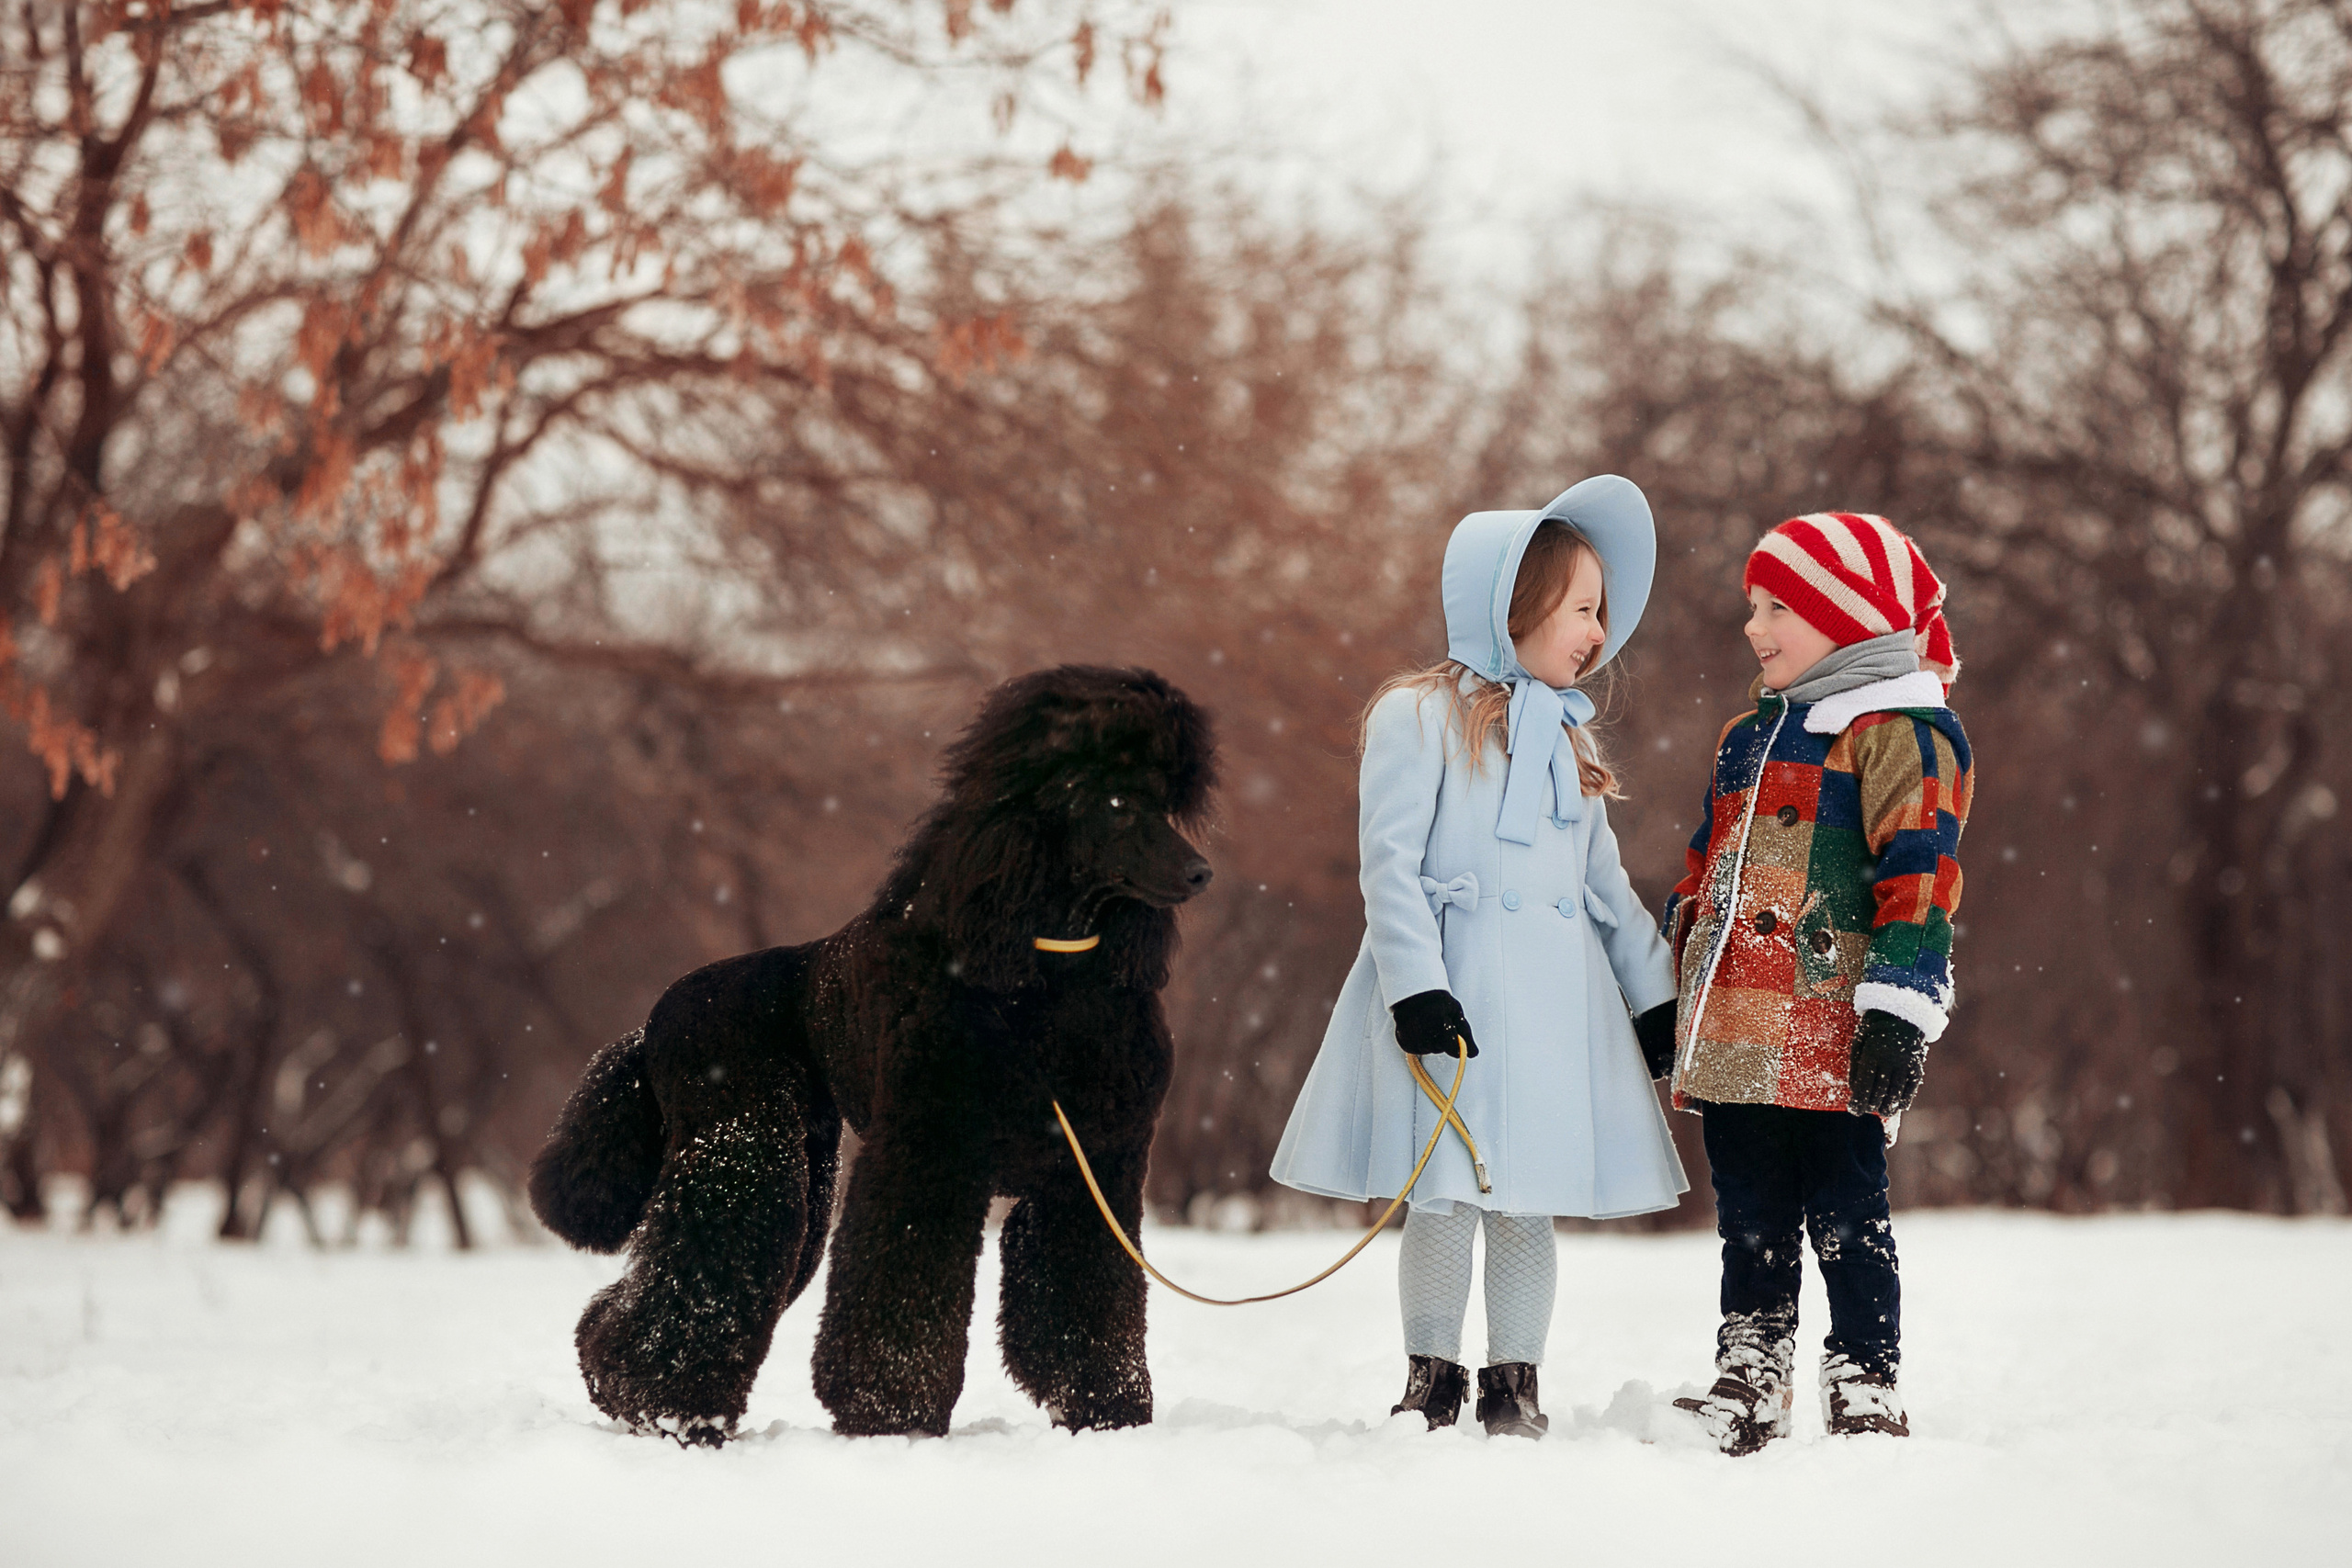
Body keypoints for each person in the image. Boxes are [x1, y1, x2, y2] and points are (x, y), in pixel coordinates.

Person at [1271, 476, 1687, 1440]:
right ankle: (1432, 1374)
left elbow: (1601, 886)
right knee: (1447, 1194)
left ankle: (1514, 1380)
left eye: (1601, 610)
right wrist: (1415, 989)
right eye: (1582, 607)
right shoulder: (1415, 717)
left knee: (1526, 1201)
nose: (1597, 629)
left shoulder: (1570, 739)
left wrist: (1652, 996)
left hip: (1550, 1008)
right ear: (1514, 602)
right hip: (1450, 1002)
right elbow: (1392, 868)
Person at [1660, 511, 1973, 1456]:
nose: (1754, 628)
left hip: (1833, 1025)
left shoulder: (1900, 736)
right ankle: (1750, 1370)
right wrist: (1675, 990)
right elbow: (1703, 864)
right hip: (1737, 1021)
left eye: (1778, 607)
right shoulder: (1747, 735)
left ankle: (1863, 1373)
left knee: (1846, 1206)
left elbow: (1922, 879)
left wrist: (1897, 1014)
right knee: (1747, 1210)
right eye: (1752, 607)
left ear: (1847, 613)